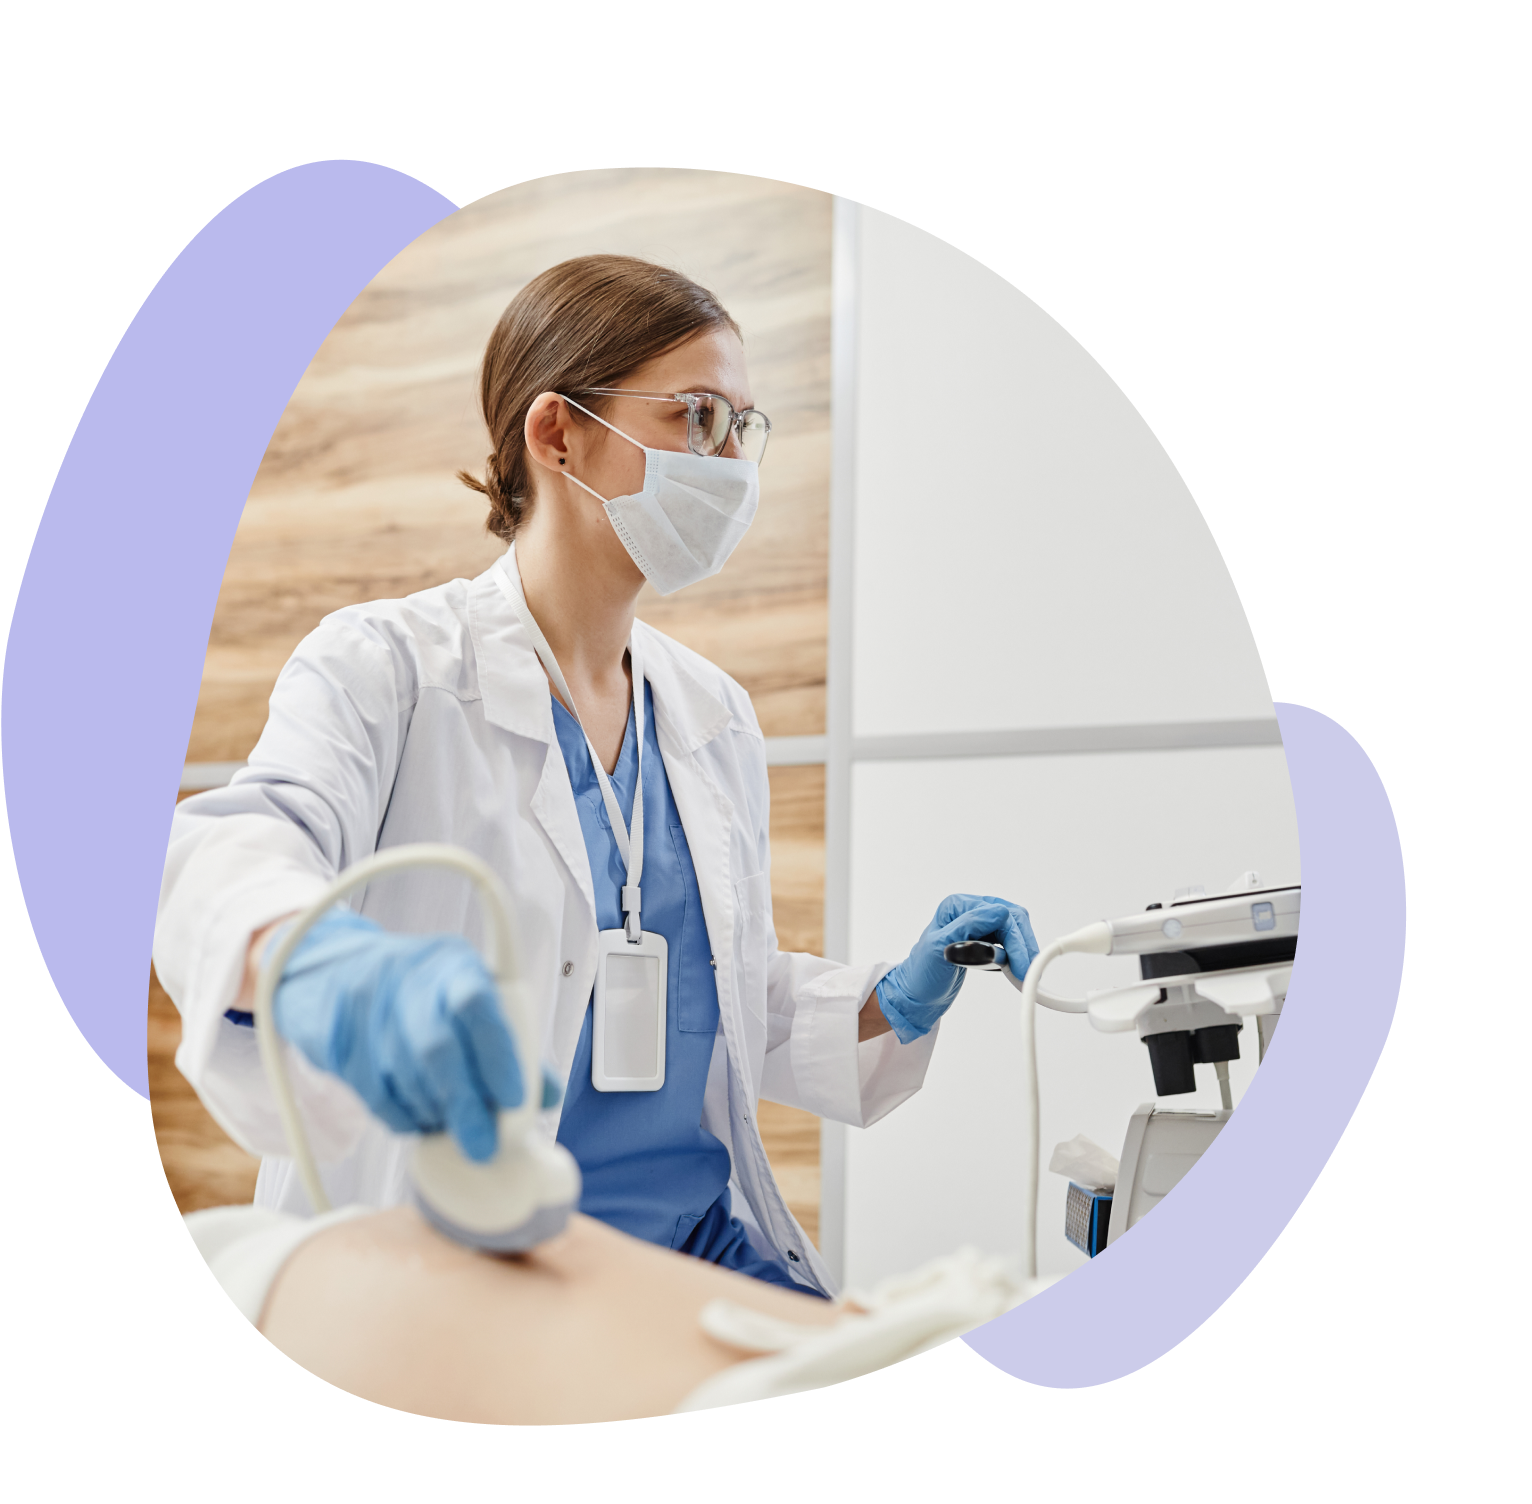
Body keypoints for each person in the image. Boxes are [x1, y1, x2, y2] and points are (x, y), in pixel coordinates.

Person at [155, 254, 1039, 1299]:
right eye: (696, 417)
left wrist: (886, 1001)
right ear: (557, 432)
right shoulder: (388, 666)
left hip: (693, 1243)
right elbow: (231, 851)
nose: (731, 464)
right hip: (472, 1252)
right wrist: (323, 966)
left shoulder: (712, 714)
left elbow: (713, 999)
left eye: (743, 428)